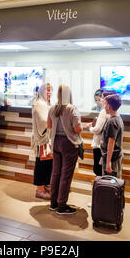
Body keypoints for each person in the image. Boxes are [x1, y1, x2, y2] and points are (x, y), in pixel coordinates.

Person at [47, 84, 83, 215]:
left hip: (55, 142)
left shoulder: (53, 108)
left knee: (56, 173)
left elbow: (49, 125)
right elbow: (77, 129)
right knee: (66, 175)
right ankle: (62, 205)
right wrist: (82, 127)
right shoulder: (72, 109)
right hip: (68, 144)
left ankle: (53, 203)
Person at [31, 83, 53, 200]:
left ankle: (47, 186)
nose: (49, 93)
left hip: (46, 139)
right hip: (42, 139)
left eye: (51, 91)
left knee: (48, 164)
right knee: (42, 164)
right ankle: (40, 190)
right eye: (47, 91)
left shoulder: (44, 103)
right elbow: (44, 121)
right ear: (41, 91)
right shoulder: (39, 103)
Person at [86, 91, 113, 176]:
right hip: (107, 145)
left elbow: (97, 129)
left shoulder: (104, 112)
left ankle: (100, 188)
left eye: (102, 97)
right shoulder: (114, 112)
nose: (100, 99)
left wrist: (90, 128)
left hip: (99, 144)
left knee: (98, 170)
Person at [101, 93, 124, 178]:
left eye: (105, 104)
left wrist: (108, 162)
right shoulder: (118, 118)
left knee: (110, 183)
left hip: (112, 159)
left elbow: (111, 143)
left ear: (108, 106)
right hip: (116, 156)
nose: (104, 106)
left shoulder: (112, 122)